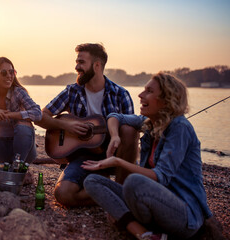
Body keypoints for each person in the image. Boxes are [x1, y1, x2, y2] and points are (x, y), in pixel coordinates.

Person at [82, 73, 213, 239]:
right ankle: (144, 233)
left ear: (166, 100)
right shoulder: (150, 122)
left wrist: (118, 161)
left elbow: (160, 177)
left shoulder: (180, 127)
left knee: (134, 181)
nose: (140, 95)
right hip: (151, 204)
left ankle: (132, 223)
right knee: (92, 180)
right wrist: (115, 136)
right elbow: (114, 116)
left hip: (184, 216)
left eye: (149, 91)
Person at [35, 43, 137, 207]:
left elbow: (132, 132)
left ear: (96, 65)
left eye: (81, 62)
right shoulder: (72, 91)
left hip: (113, 157)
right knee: (62, 194)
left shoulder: (120, 94)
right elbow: (40, 116)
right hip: (83, 157)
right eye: (77, 62)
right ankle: (113, 193)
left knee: (129, 128)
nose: (76, 67)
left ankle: (117, 188)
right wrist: (66, 126)